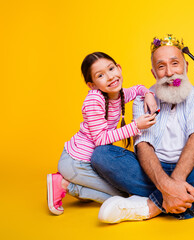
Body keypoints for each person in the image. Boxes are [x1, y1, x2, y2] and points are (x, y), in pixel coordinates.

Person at [91, 34, 194, 223]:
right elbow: (143, 146)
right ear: (154, 73)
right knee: (101, 155)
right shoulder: (143, 98)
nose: (170, 73)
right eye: (161, 66)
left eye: (175, 63)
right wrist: (165, 184)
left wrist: (176, 182)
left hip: (193, 168)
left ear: (186, 67)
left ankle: (152, 206)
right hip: (153, 172)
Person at [47, 52, 157, 215]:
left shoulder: (119, 94)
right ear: (92, 85)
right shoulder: (93, 100)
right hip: (77, 163)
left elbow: (138, 89)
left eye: (111, 69)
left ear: (119, 68)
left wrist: (148, 94)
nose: (110, 77)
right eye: (101, 75)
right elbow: (100, 139)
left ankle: (75, 185)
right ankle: (64, 184)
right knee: (121, 195)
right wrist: (136, 126)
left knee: (120, 190)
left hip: (92, 162)